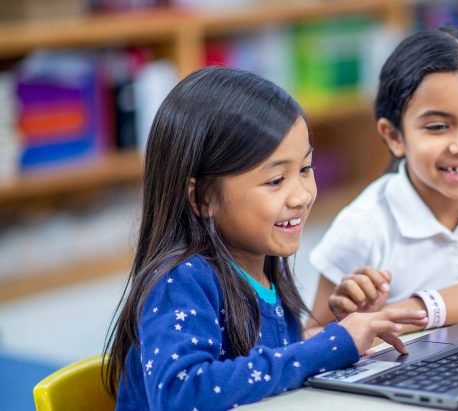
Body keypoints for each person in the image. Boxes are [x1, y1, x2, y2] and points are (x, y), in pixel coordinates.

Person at [102, 67, 426, 410]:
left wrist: (339, 330)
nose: (301, 195)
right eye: (275, 181)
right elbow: (182, 395)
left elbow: (267, 365)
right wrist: (330, 345)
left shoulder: (263, 266)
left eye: (305, 169)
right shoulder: (180, 280)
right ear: (201, 199)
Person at [305, 26, 458, 335]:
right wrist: (350, 320)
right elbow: (310, 337)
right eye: (439, 127)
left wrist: (393, 315)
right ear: (394, 136)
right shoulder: (362, 228)